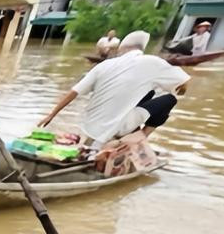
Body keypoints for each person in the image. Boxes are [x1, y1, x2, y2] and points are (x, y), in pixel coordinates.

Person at [39, 30, 190, 147]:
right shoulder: (152, 62)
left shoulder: (104, 65)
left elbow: (74, 92)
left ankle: (131, 132)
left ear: (121, 48)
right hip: (117, 127)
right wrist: (170, 88)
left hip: (88, 125)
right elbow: (183, 83)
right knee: (169, 98)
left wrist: (51, 115)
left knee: (148, 91)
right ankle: (140, 136)